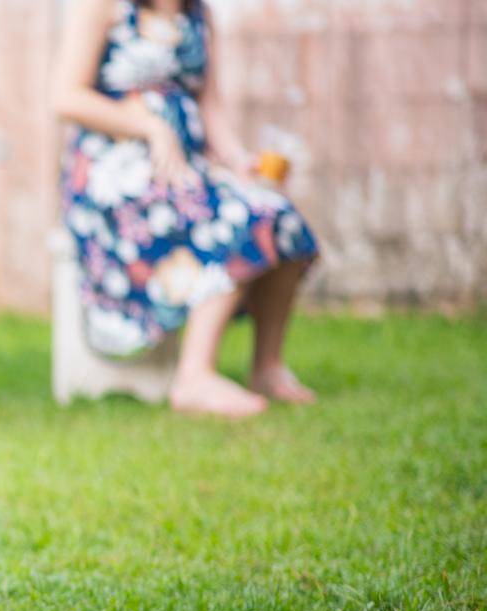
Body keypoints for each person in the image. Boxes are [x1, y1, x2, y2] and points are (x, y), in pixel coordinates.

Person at [54, 0, 320, 418]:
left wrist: (237, 160)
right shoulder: (101, 5)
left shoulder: (199, 12)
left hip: (184, 175)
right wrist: (150, 126)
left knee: (279, 218)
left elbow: (208, 103)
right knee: (236, 222)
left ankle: (266, 367)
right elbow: (66, 98)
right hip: (115, 181)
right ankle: (194, 378)